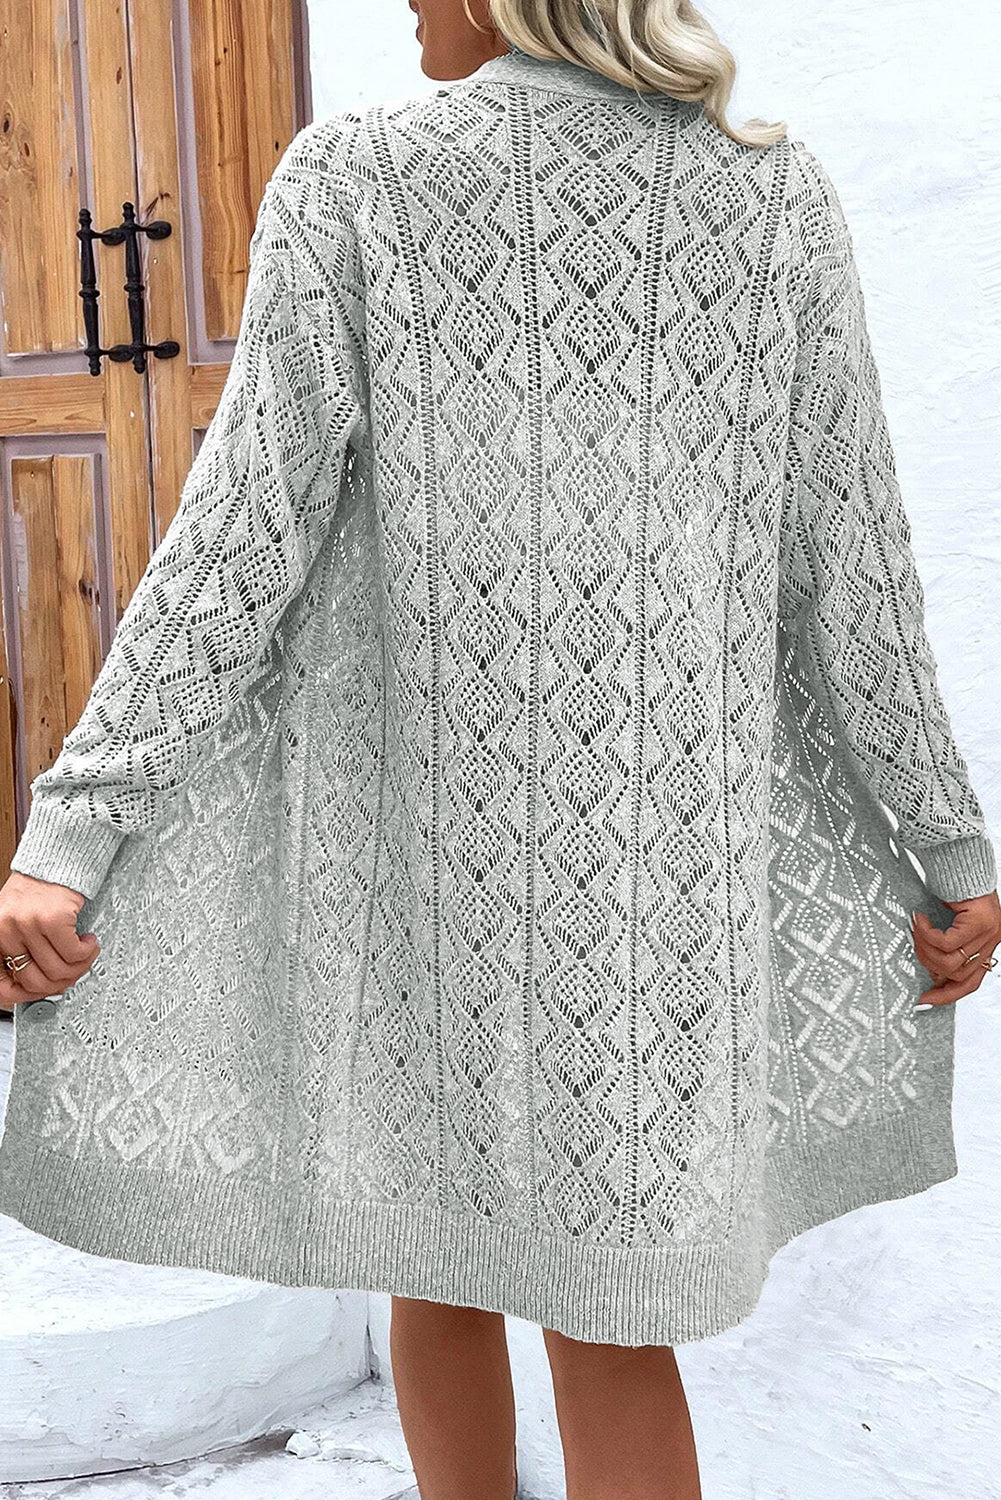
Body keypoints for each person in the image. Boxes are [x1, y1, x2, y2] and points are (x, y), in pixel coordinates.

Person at [1, 2, 998, 1497]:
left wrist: (73, 830)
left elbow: (237, 545)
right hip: (655, 892)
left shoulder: (360, 178)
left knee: (442, 1265)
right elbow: (849, 564)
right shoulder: (770, 196)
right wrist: (946, 840)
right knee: (599, 1319)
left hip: (426, 863)